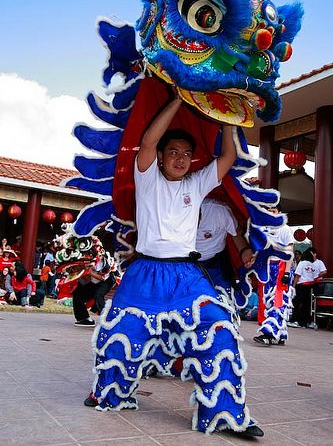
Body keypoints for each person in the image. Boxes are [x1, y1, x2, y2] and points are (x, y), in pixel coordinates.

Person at [84, 95, 264, 438]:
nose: (180, 159)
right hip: (145, 272)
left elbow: (227, 157)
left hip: (187, 275)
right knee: (120, 334)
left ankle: (225, 412)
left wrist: (226, 118)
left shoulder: (196, 185)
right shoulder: (147, 178)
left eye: (186, 154)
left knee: (219, 329)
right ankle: (110, 393)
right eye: (173, 153)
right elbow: (149, 140)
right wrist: (178, 100)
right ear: (161, 158)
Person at [196, 197, 255, 306]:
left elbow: (236, 234)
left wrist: (244, 251)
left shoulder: (219, 211)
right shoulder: (171, 214)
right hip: (187, 264)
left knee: (224, 301)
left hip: (216, 262)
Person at [253, 206, 294, 346]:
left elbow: (290, 252)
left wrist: (287, 273)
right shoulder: (264, 229)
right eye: (268, 210)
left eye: (273, 210)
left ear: (279, 213)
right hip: (267, 269)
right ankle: (281, 333)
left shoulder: (285, 228)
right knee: (267, 302)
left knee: (278, 302)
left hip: (281, 268)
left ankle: (268, 334)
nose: (271, 213)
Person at [72, 262, 117, 327]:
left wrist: (90, 273)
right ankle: (84, 319)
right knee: (78, 293)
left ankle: (108, 318)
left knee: (98, 295)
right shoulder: (80, 260)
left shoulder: (101, 260)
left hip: (107, 280)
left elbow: (102, 277)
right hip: (94, 281)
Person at [292, 249, 317, 328]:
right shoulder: (313, 265)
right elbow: (315, 277)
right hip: (309, 286)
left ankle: (295, 321)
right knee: (306, 306)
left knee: (296, 303)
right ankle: (305, 322)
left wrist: (293, 286)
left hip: (301, 285)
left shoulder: (302, 263)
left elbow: (297, 275)